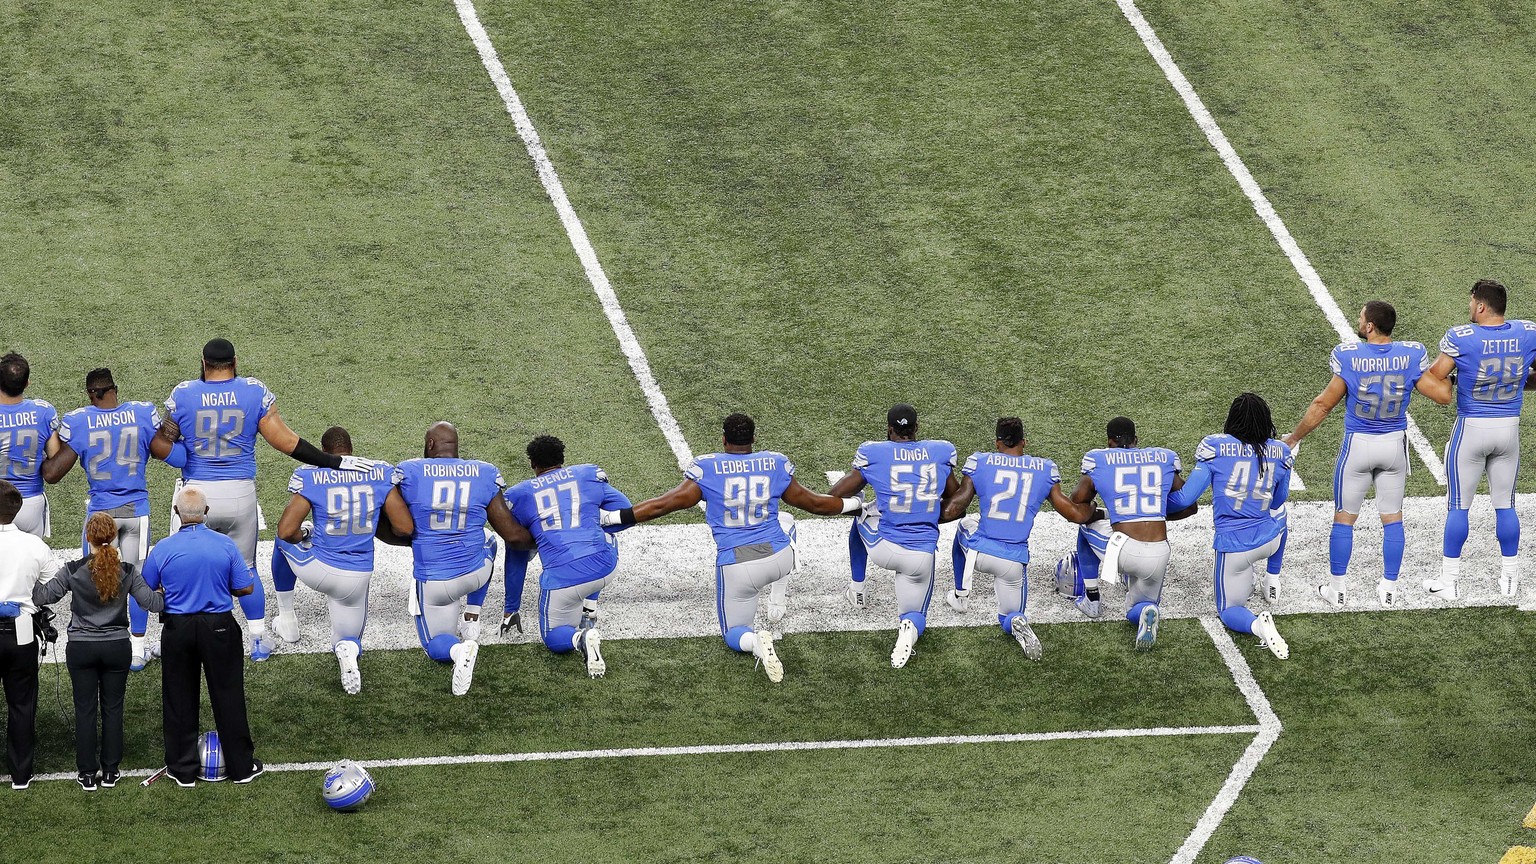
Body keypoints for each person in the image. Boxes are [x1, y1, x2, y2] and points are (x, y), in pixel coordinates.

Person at [153, 338, 377, 661]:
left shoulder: (184, 394)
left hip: (196, 493)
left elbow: (164, 446)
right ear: (235, 361)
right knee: (246, 569)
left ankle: (170, 639)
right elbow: (286, 442)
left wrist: (186, 456)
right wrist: (331, 461)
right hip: (241, 493)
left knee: (179, 567)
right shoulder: (253, 392)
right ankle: (258, 639)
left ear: (203, 363)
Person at [600, 414, 863, 681]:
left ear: (724, 439)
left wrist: (614, 518)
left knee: (734, 632)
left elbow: (664, 504)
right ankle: (778, 590)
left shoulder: (708, 468)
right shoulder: (774, 462)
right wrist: (856, 505)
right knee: (786, 520)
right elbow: (816, 504)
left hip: (739, 565)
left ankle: (757, 643)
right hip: (781, 557)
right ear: (754, 439)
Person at [1283, 302, 1449, 608]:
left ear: (1370, 326)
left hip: (1359, 444)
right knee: (1393, 519)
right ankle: (1389, 589)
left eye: (1362, 318)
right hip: (1394, 445)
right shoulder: (1409, 355)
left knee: (1344, 519)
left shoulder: (1350, 358)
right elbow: (1442, 395)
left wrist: (1294, 438)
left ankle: (1338, 590)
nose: (1359, 322)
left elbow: (1322, 405)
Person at [42, 368, 183, 670]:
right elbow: (168, 452)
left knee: (94, 579)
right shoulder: (142, 412)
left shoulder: (79, 420)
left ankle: (97, 640)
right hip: (136, 511)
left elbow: (53, 474)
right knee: (138, 579)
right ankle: (136, 650)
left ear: (91, 393)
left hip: (102, 513)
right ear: (115, 389)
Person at [383, 422, 532, 695]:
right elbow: (512, 535)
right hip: (476, 572)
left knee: (436, 644)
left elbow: (398, 526)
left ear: (430, 444)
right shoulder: (484, 471)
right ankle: (472, 617)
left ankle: (458, 649)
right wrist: (548, 540)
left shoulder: (409, 470)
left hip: (436, 581)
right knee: (489, 540)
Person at [1417, 279, 1536, 600]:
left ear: (1481, 306)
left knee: (1459, 506)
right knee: (1505, 505)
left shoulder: (1462, 336)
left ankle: (1449, 582)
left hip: (1471, 428)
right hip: (1508, 430)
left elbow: (1435, 376)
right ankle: (1510, 580)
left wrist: (1460, 379)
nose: (1470, 307)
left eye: (1472, 302)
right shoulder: (1528, 332)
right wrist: (1512, 380)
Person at [940, 417, 1095, 660]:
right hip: (1013, 561)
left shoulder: (981, 462)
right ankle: (1017, 621)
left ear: (997, 443)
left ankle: (960, 595)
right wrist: (1093, 508)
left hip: (979, 553)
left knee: (964, 526)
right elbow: (1074, 514)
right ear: (1024, 442)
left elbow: (955, 508)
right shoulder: (1043, 469)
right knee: (1009, 616)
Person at [32, 513, 166, 790]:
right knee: (113, 709)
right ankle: (110, 771)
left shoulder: (72, 569)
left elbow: (43, 597)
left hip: (81, 648)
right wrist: (168, 591)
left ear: (88, 538)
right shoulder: (128, 571)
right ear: (114, 537)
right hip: (117, 647)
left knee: (85, 710)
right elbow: (153, 604)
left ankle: (86, 773)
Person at [140, 486, 262, 786]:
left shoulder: (164, 549)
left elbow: (145, 590)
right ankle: (242, 768)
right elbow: (246, 587)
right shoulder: (225, 545)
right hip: (218, 626)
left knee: (179, 697)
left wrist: (170, 592)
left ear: (177, 513)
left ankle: (182, 771)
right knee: (228, 695)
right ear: (206, 513)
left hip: (178, 629)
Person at [827, 404, 960, 669]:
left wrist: (862, 500)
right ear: (916, 429)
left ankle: (858, 590)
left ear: (889, 430)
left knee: (861, 514)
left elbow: (836, 495)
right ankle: (907, 630)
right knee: (915, 614)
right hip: (921, 554)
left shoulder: (874, 452)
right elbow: (954, 498)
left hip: (884, 547)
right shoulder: (940, 452)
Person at [269, 426, 394, 695]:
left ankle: (287, 619)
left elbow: (286, 531)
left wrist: (306, 533)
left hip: (320, 570)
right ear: (351, 449)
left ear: (324, 452)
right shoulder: (379, 473)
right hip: (358, 576)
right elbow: (405, 527)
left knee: (281, 542)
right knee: (347, 639)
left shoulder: (311, 475)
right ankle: (347, 651)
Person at [1169, 394, 1294, 659]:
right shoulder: (1280, 451)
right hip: (1271, 539)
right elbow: (1279, 500)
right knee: (1281, 513)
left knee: (1228, 610)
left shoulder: (1216, 447)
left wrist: (1151, 506)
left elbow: (1185, 499)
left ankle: (1257, 625)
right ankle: (1271, 579)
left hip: (1235, 546)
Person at [505, 435, 634, 678]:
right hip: (606, 568)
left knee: (554, 638)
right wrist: (594, 522)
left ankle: (581, 638)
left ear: (533, 463)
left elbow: (517, 554)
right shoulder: (586, 474)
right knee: (606, 537)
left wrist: (511, 607)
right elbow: (624, 510)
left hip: (564, 578)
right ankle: (590, 608)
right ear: (562, 459)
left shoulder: (519, 494)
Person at [1064, 417, 1193, 650]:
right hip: (1160, 553)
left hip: (1125, 551)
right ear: (1136, 440)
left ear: (1109, 442)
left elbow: (1077, 507)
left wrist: (1098, 512)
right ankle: (1147, 611)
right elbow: (1189, 506)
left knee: (1085, 527)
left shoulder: (1100, 460)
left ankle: (1092, 598)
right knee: (1137, 607)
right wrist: (1158, 513)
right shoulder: (1162, 458)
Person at [0, 480, 54, 790]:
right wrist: (30, 601)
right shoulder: (34, 545)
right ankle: (21, 774)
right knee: (21, 703)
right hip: (21, 631)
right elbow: (54, 586)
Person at [0, 353, 61, 538]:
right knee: (33, 560)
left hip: (0, 500)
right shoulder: (43, 411)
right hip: (31, 502)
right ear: (27, 383)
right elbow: (55, 455)